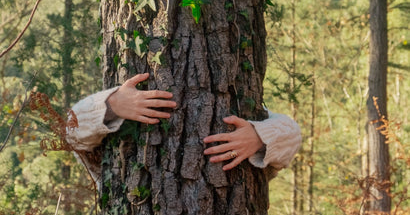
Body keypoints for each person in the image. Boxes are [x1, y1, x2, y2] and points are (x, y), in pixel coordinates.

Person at [66, 73, 301, 184]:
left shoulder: (249, 119)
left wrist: (260, 136)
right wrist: (112, 104)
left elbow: (293, 135)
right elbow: (71, 134)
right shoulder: (103, 142)